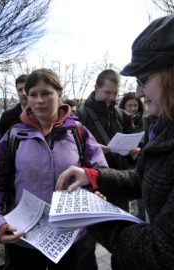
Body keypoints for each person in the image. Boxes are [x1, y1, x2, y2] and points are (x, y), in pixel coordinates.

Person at [56, 14, 174, 270]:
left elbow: (159, 252)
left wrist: (90, 213)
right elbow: (144, 177)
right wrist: (94, 176)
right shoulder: (163, 124)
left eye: (144, 80)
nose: (139, 93)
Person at [0, 68, 107, 270]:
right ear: (26, 97)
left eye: (46, 93)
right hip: (23, 238)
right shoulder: (14, 136)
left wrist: (94, 188)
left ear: (59, 95)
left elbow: (102, 174)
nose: (39, 100)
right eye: (33, 94)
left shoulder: (78, 132)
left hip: (72, 239)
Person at [77, 69, 135, 211]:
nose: (111, 98)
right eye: (108, 92)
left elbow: (134, 147)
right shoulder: (80, 116)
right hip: (94, 184)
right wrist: (92, 148)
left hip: (119, 183)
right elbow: (74, 150)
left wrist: (134, 153)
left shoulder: (123, 116)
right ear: (96, 88)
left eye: (115, 93)